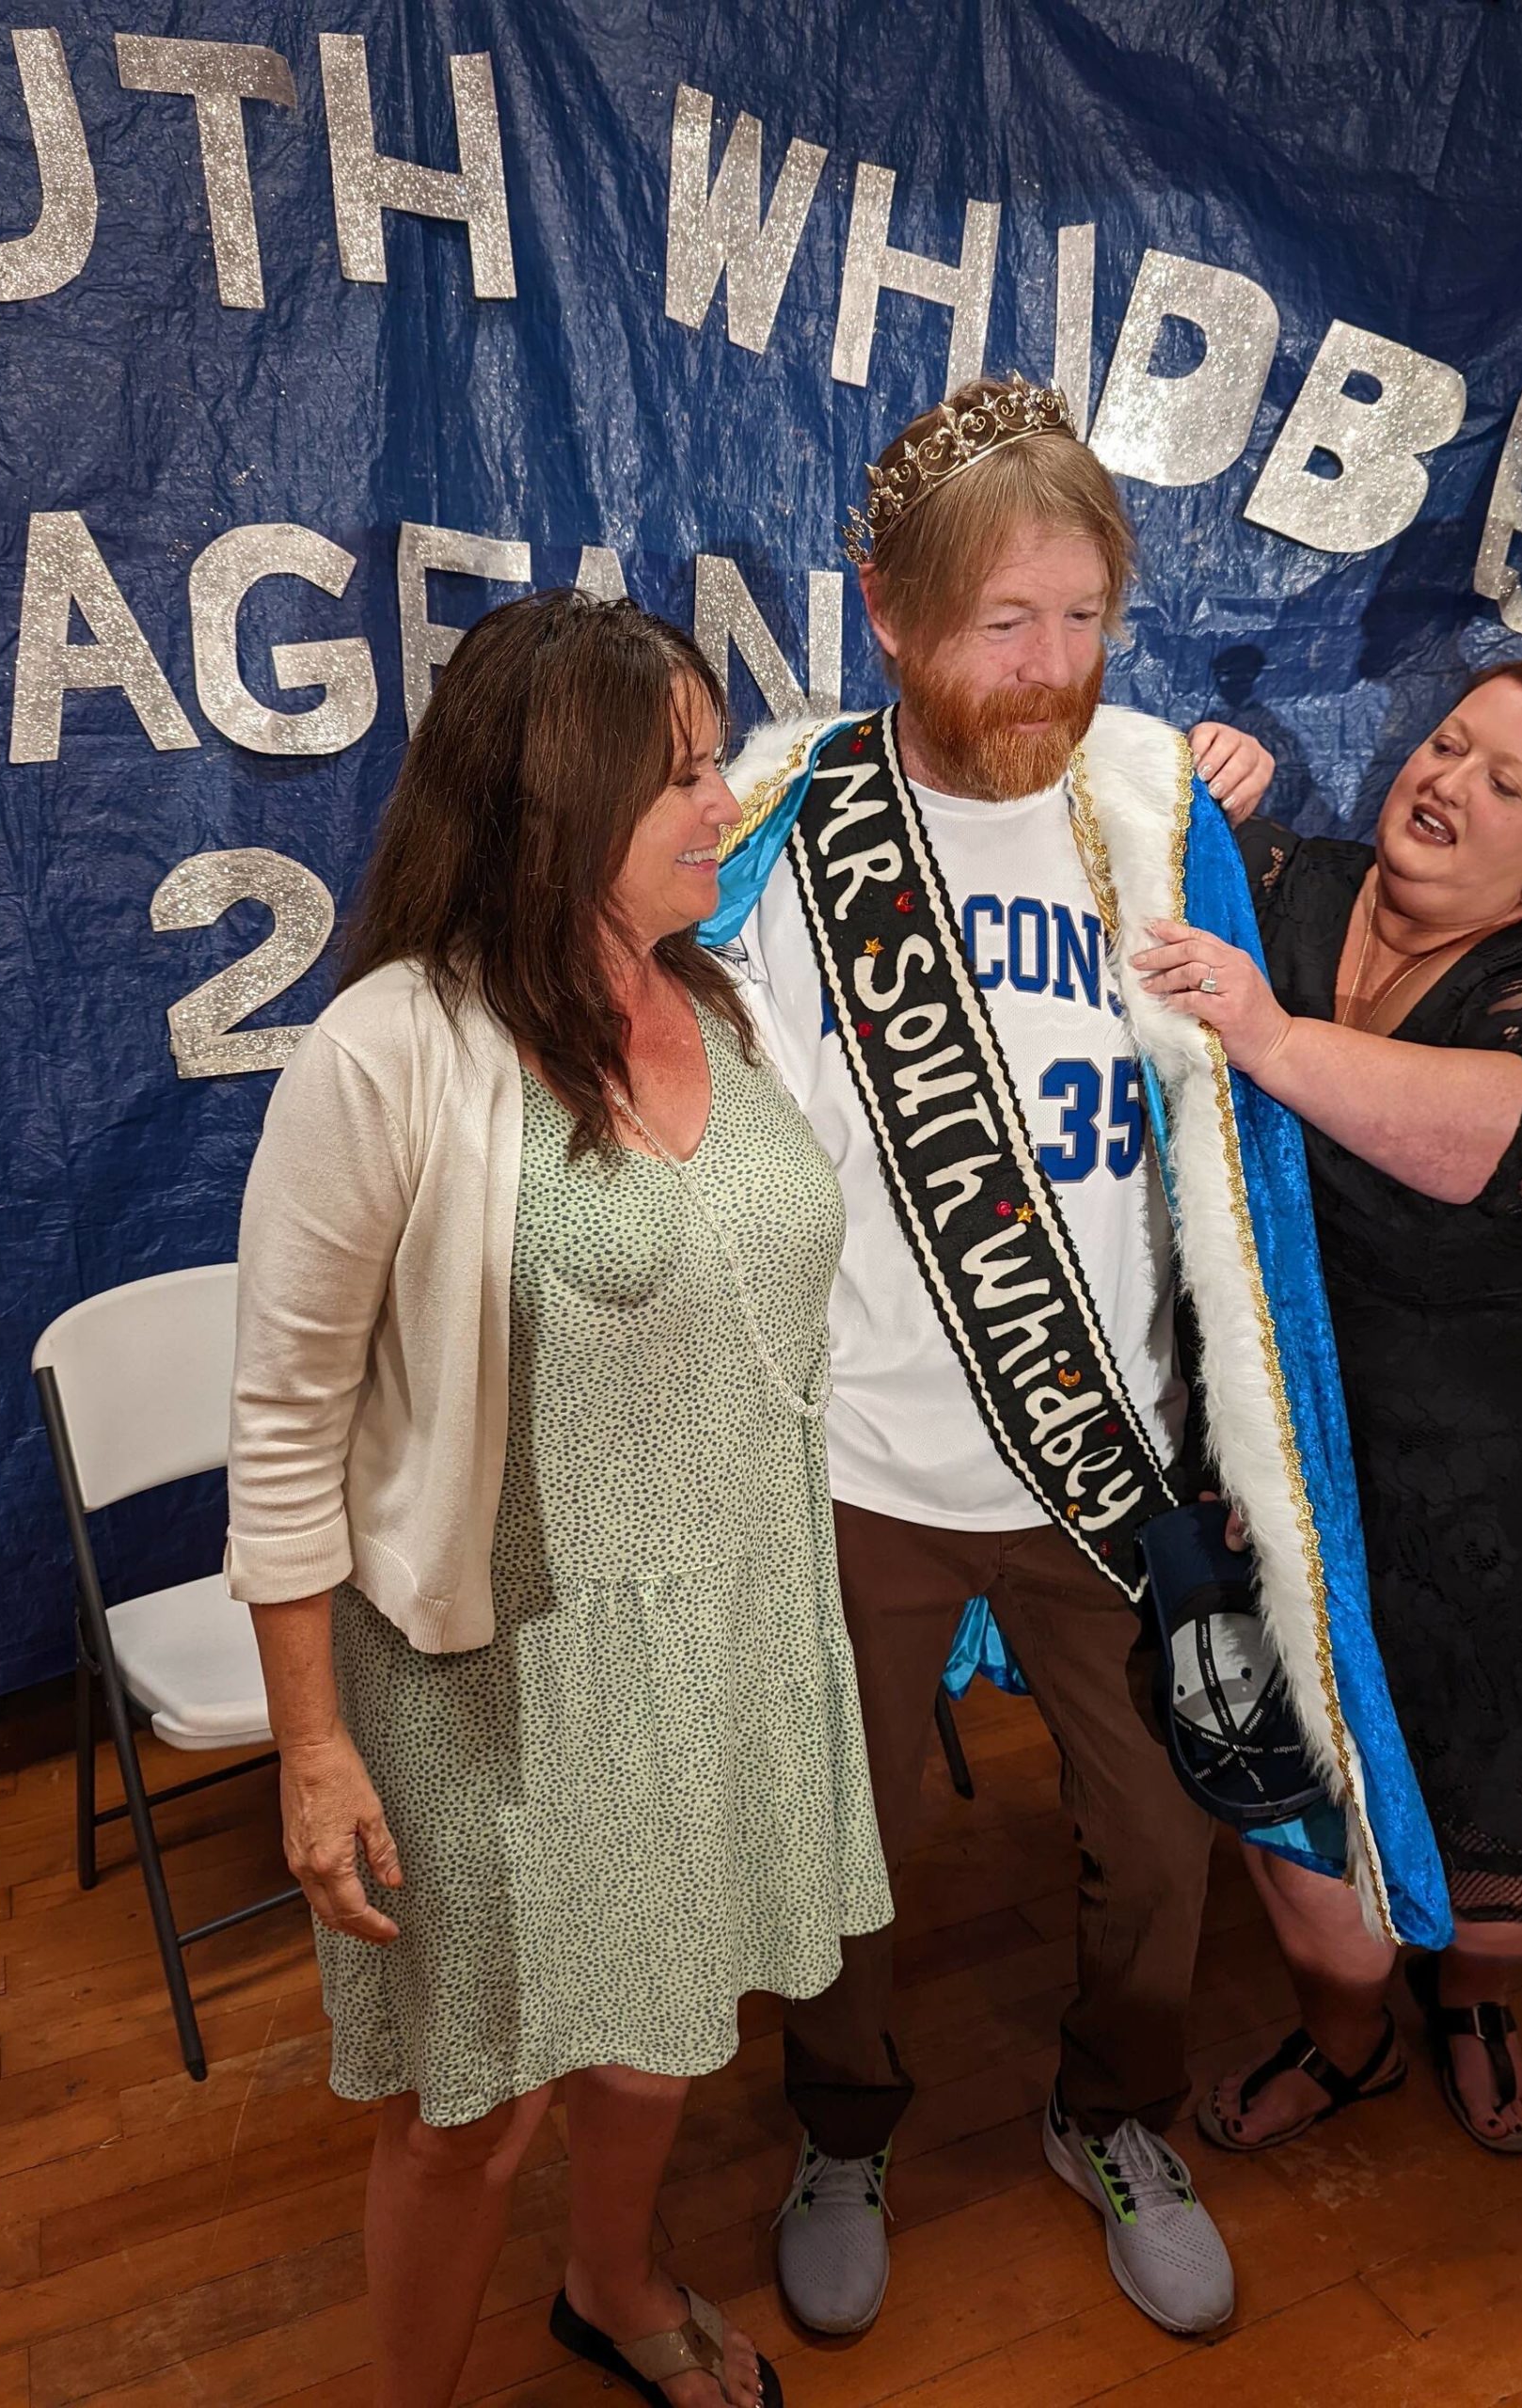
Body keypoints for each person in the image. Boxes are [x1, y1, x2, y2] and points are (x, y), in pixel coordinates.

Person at [225, 592, 892, 2408]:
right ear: (547, 803)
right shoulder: (388, 1053)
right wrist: (310, 1748)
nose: (722, 798)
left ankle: (613, 2287)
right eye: (677, 772)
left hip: (728, 1630)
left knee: (660, 2038)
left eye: (716, 760)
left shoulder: (722, 1008)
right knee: (479, 2111)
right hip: (494, 1681)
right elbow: (283, 1428)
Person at [702, 372, 1294, 2346]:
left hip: (1104, 1462)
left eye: (1083, 617)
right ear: (887, 610)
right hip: (861, 1460)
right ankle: (845, 2120)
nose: (1050, 669)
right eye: (1000, 621)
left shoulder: (1153, 802)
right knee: (840, 1834)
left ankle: (1112, 2110)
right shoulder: (788, 828)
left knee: (1159, 1832)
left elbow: (1235, 1134)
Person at [1131, 655, 1522, 2159]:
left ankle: (1473, 1999)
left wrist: (1269, 1040)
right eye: (1448, 742)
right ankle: (1347, 2041)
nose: (1445, 780)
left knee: (1520, 1862)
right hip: (1305, 1478)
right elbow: (1102, 901)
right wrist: (1181, 797)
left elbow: (1510, 1136)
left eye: (1504, 781)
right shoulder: (1291, 889)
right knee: (1316, 1878)